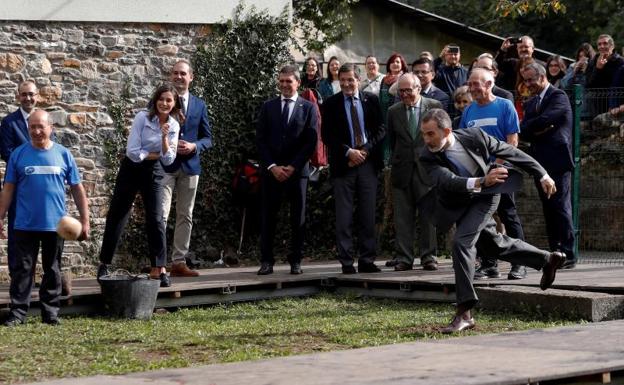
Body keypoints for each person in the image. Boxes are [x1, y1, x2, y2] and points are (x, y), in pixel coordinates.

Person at [419, 108, 565, 333]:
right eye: (424, 134)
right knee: (493, 244)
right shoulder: (427, 155)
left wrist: (542, 174)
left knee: (461, 243)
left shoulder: (475, 136)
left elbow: (510, 152)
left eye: (430, 134)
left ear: (447, 130)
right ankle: (546, 260)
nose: (426, 139)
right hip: (462, 200)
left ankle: (464, 312)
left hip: (486, 198)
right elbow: (447, 180)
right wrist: (480, 181)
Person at [0, 109, 89, 326]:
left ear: (51, 128)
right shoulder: (18, 155)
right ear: (28, 129)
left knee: (53, 269)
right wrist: (0, 217)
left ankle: (50, 313)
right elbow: (8, 189)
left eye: (41, 126)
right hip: (24, 223)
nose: (37, 131)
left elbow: (78, 189)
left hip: (56, 225)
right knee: (21, 270)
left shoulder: (63, 154)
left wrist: (85, 221)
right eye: (32, 127)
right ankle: (18, 313)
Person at [97, 84, 181, 287]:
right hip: (131, 168)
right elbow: (133, 152)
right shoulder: (142, 118)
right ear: (155, 100)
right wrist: (155, 154)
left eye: (169, 100)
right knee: (119, 212)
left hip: (155, 170)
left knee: (156, 216)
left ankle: (160, 268)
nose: (164, 103)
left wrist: (163, 137)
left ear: (174, 103)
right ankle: (104, 264)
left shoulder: (174, 126)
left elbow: (169, 160)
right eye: (161, 99)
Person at [459, 68, 528, 280]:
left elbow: (512, 141)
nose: (472, 88)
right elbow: (463, 142)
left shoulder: (505, 105)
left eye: (476, 84)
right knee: (480, 218)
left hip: (502, 171)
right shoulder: (468, 111)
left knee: (508, 214)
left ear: (489, 84)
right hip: (479, 174)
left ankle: (521, 263)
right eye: (470, 84)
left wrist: (496, 165)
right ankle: (489, 264)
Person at [321, 63, 386, 274]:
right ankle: (346, 262)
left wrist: (365, 150)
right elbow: (327, 136)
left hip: (368, 164)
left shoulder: (372, 100)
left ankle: (367, 260)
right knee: (344, 216)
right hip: (344, 165)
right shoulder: (331, 103)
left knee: (368, 215)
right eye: (343, 80)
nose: (347, 84)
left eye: (351, 79)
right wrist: (348, 152)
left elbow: (381, 129)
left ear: (358, 80)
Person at [256, 65, 318, 275]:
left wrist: (293, 166)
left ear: (298, 83)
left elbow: (310, 142)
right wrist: (272, 166)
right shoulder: (268, 106)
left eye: (288, 81)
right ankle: (266, 261)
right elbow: (260, 140)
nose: (284, 85)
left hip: (297, 172)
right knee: (267, 217)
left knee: (297, 218)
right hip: (272, 171)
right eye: (281, 81)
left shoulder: (308, 108)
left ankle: (296, 260)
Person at [520, 62, 577, 269]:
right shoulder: (532, 101)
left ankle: (569, 254)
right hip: (539, 164)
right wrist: (538, 128)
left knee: (561, 207)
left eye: (530, 80)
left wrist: (536, 127)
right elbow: (524, 129)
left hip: (557, 162)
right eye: (525, 80)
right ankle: (556, 252)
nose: (527, 84)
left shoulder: (558, 96)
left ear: (542, 77)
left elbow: (547, 119)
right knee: (548, 209)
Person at [159, 60, 213, 277]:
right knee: (161, 214)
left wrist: (194, 146)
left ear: (191, 77)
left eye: (183, 73)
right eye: (175, 73)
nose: (179, 77)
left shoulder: (200, 105)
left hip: (190, 167)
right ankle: (159, 262)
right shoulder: (163, 101)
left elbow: (208, 139)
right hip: (165, 165)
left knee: (185, 214)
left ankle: (179, 262)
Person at [385, 73, 441, 271]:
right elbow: (392, 142)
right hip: (402, 170)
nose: (405, 94)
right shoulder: (393, 111)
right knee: (402, 217)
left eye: (408, 90)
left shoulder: (434, 106)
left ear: (419, 88)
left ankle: (429, 257)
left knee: (428, 216)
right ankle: (404, 258)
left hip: (428, 170)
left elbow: (442, 139)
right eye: (401, 91)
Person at [434, 44, 469, 110]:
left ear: (459, 56)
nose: (453, 56)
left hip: (461, 108)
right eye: (450, 54)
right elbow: (430, 70)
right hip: (444, 108)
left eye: (455, 54)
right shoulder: (440, 71)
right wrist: (439, 58)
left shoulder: (466, 72)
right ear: (445, 55)